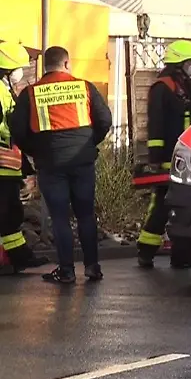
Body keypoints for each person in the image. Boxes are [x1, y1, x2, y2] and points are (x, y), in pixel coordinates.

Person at [9, 45, 113, 284]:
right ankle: (93, 267)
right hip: (82, 161)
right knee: (86, 215)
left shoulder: (30, 93)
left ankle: (66, 271)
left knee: (59, 218)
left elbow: (18, 130)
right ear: (66, 64)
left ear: (45, 67)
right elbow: (105, 119)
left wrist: (35, 152)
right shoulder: (84, 87)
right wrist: (88, 142)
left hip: (50, 163)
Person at [137, 40, 191, 269]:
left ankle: (181, 254)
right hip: (168, 157)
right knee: (162, 204)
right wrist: (156, 159)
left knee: (185, 204)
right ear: (181, 63)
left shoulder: (187, 86)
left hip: (188, 155)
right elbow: (156, 126)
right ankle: (146, 250)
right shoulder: (162, 87)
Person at [0, 41, 49, 275]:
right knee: (6, 214)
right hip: (2, 165)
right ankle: (19, 258)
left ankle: (20, 257)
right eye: (18, 68)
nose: (22, 72)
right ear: (7, 70)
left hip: (7, 166)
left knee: (10, 215)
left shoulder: (6, 91)